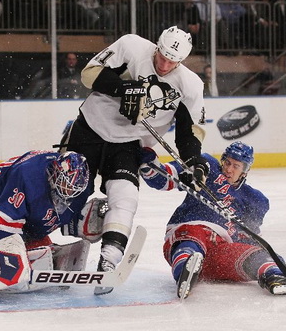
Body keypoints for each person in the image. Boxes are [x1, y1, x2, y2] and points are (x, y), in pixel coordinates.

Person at [59, 26, 208, 292]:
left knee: (125, 197)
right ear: (157, 46)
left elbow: (189, 133)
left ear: (182, 60)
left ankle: (109, 261)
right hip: (90, 129)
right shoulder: (131, 46)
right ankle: (49, 245)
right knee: (67, 195)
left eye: (172, 61)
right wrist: (125, 89)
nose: (164, 64)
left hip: (129, 143)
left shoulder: (191, 85)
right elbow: (89, 74)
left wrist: (194, 162)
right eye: (161, 56)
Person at [139, 141, 286, 298]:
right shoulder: (208, 166)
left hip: (218, 252)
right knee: (193, 238)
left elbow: (248, 235)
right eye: (227, 162)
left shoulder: (254, 200)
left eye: (236, 166)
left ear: (245, 170)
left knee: (256, 256)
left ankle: (275, 277)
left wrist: (267, 256)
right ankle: (185, 269)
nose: (229, 169)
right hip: (187, 233)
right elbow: (165, 180)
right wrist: (149, 166)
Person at [0, 150, 109, 292]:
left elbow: (57, 214)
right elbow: (1, 226)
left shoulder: (81, 187)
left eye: (74, 189)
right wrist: (10, 260)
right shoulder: (28, 176)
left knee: (41, 256)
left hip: (23, 214)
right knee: (4, 266)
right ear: (54, 173)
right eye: (64, 185)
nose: (69, 193)